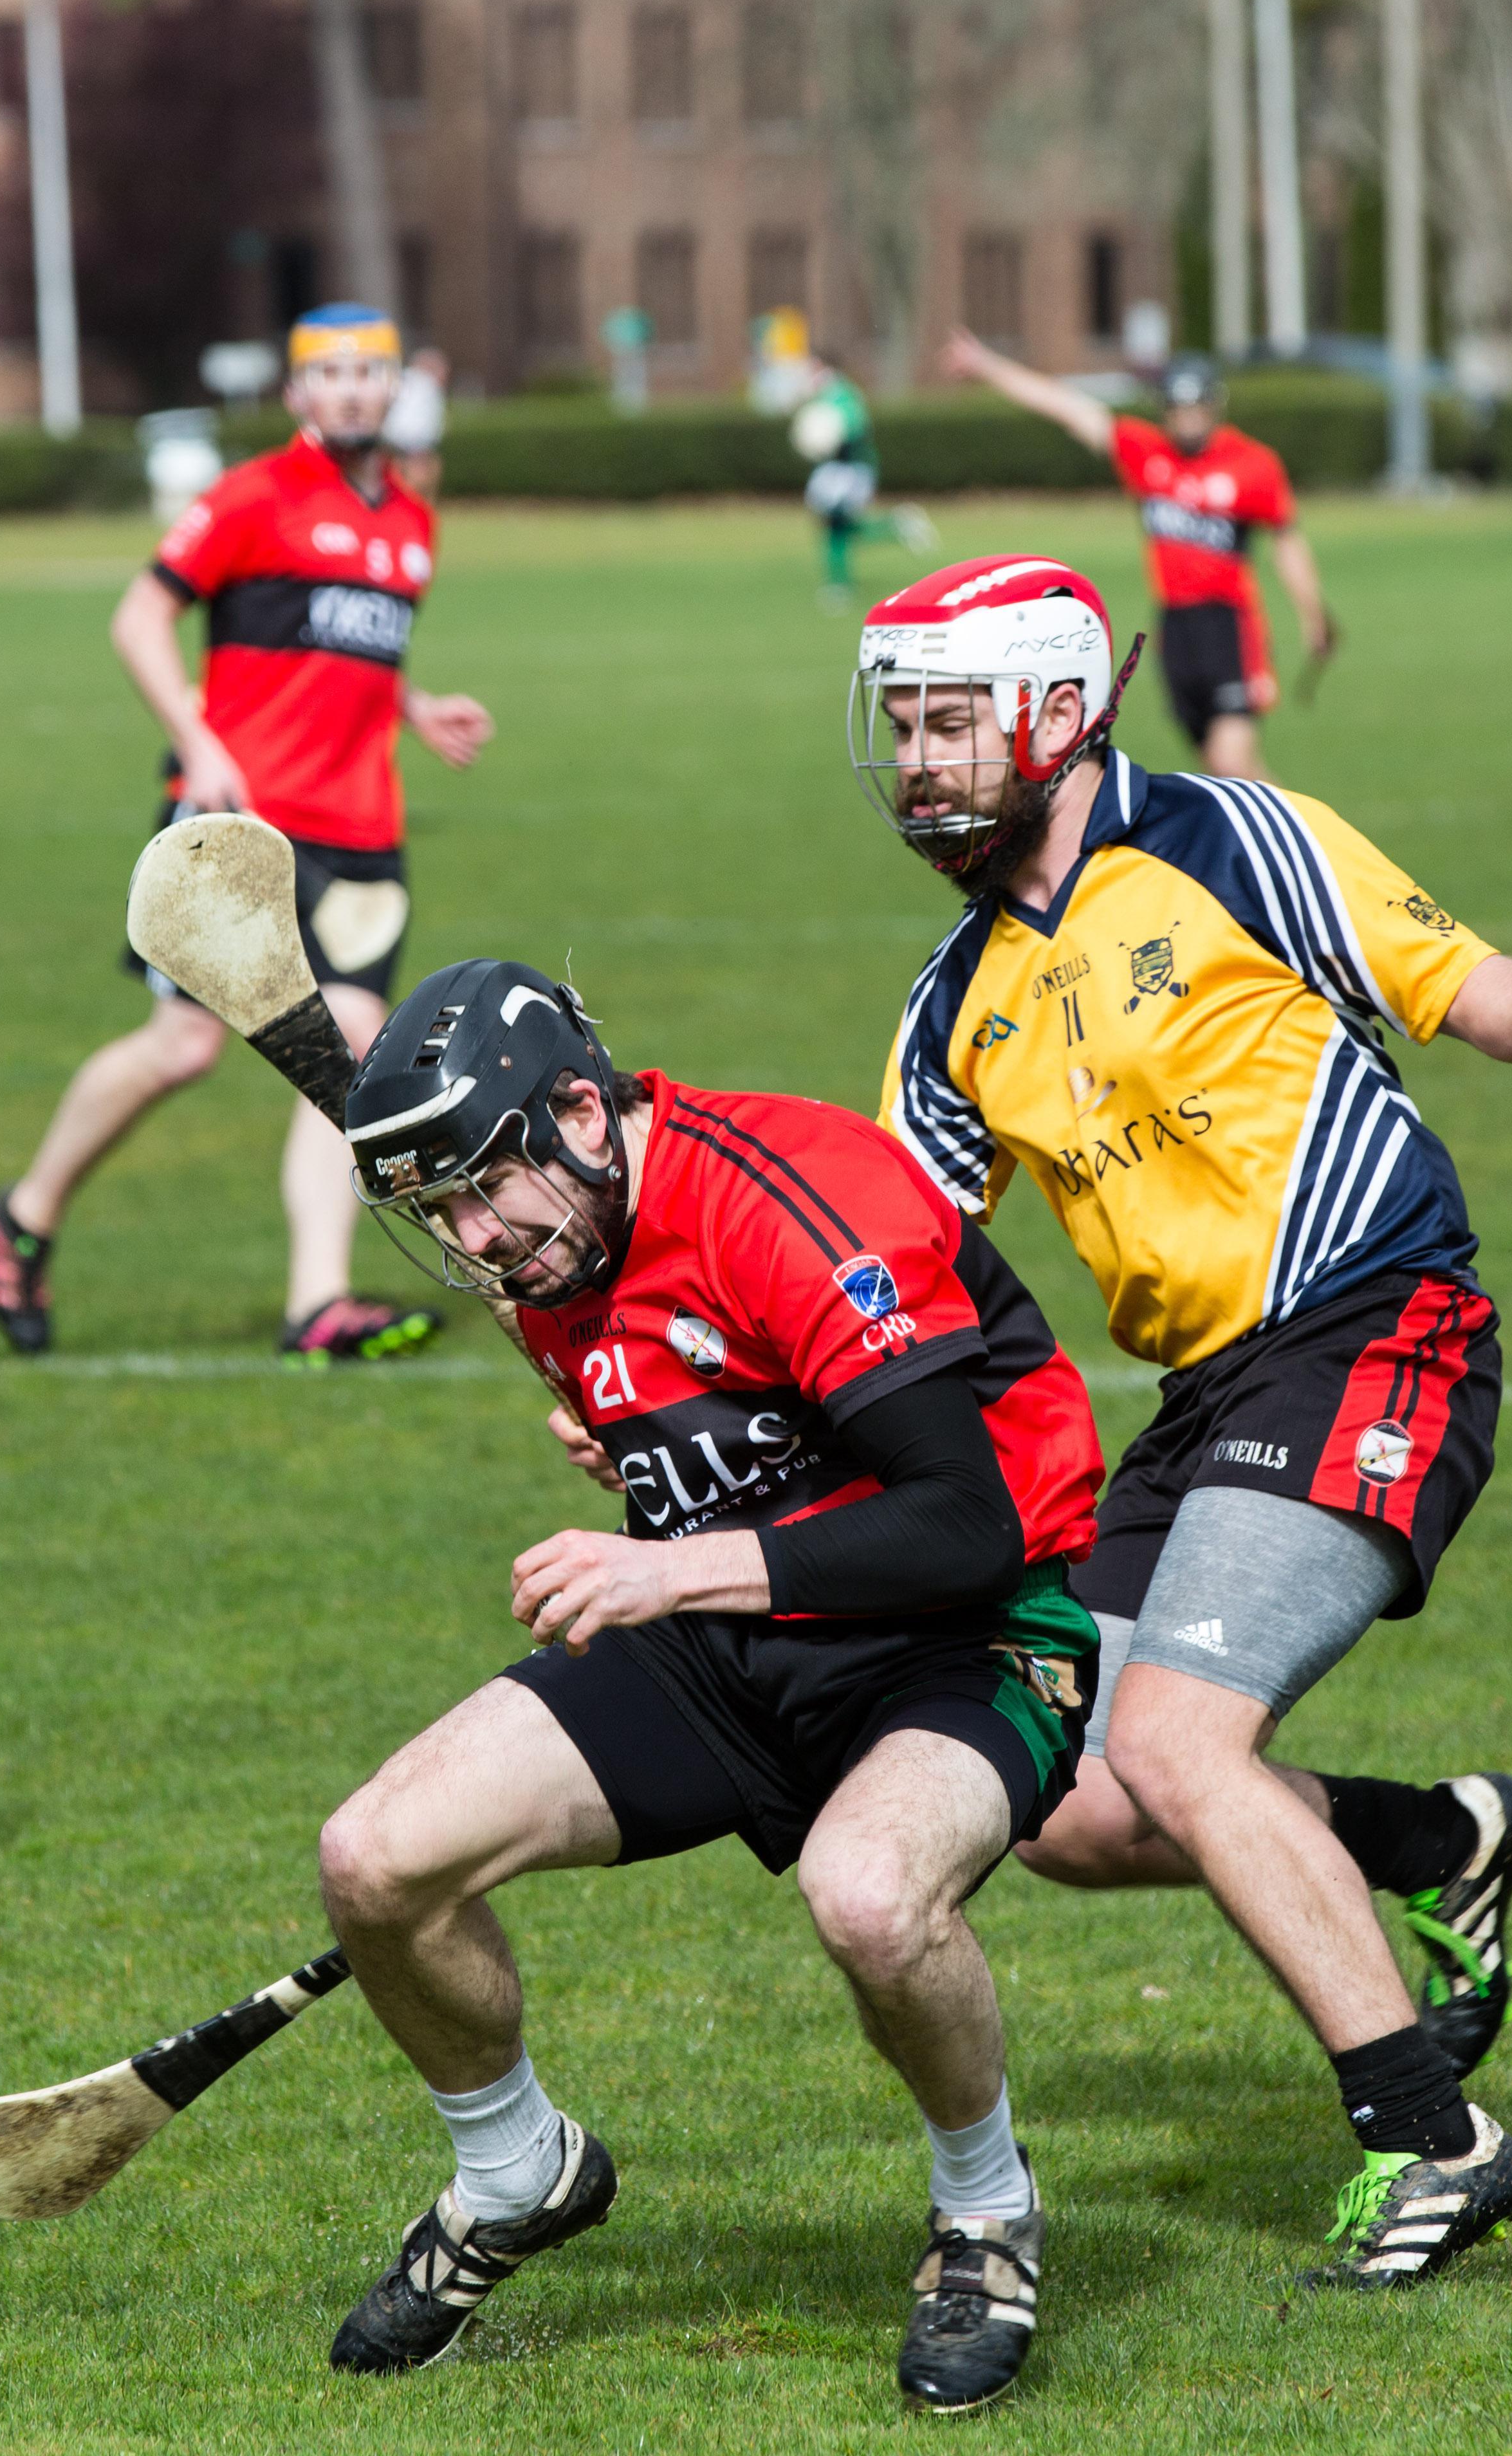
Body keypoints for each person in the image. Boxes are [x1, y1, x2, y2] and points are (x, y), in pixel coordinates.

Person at [858, 556, 1512, 2287]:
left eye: (951, 719)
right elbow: (893, 1272)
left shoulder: (1237, 839)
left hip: (1380, 1328)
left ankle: (1434, 2143)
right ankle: (1433, 1838)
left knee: (1172, 1743)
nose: (921, 760)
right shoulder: (953, 1008)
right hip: (1200, 1404)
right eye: (903, 724)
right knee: (1070, 1802)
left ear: (1063, 711)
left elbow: (1447, 975)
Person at [313, 956, 1105, 2410]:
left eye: (491, 1191)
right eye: (443, 1214)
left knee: (869, 1896)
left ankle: (983, 2214)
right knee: (374, 1859)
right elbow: (680, 1388)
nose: (480, 1242)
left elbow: (960, 1516)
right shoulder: (558, 1237)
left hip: (971, 1626)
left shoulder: (789, 1191)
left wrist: (667, 1562)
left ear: (579, 1107)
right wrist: (647, 1455)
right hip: (727, 1636)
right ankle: (513, 2170)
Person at [0, 303, 493, 1364]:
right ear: (299, 393)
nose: (354, 389)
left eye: (372, 372)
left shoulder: (411, 520)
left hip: (361, 836)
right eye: (332, 373)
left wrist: (415, 706)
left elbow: (348, 649)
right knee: (184, 1048)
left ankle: (317, 1304)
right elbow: (138, 618)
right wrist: (196, 741)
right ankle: (26, 1213)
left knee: (350, 1056)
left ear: (395, 387)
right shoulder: (253, 498)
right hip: (240, 825)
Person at [941, 335, 1334, 780]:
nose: (1187, 418)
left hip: (1228, 627)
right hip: (1176, 631)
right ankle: (1268, 840)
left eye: (1196, 407)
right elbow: (1066, 406)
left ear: (1214, 406)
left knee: (1231, 760)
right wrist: (986, 365)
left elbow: (1287, 540)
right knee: (1221, 771)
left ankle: (1300, 842)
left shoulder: (1251, 464)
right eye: (1177, 408)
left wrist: (1312, 612)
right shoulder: (1146, 453)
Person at [791, 355, 937, 607]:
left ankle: (839, 585)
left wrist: (831, 435)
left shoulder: (843, 393)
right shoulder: (821, 396)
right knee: (838, 526)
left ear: (826, 368)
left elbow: (853, 428)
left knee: (835, 525)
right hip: (833, 470)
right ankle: (896, 526)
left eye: (814, 367)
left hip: (851, 469)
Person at [386, 344, 452, 503]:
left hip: (394, 442)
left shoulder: (401, 379)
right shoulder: (426, 384)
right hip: (415, 444)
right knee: (417, 484)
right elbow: (426, 422)